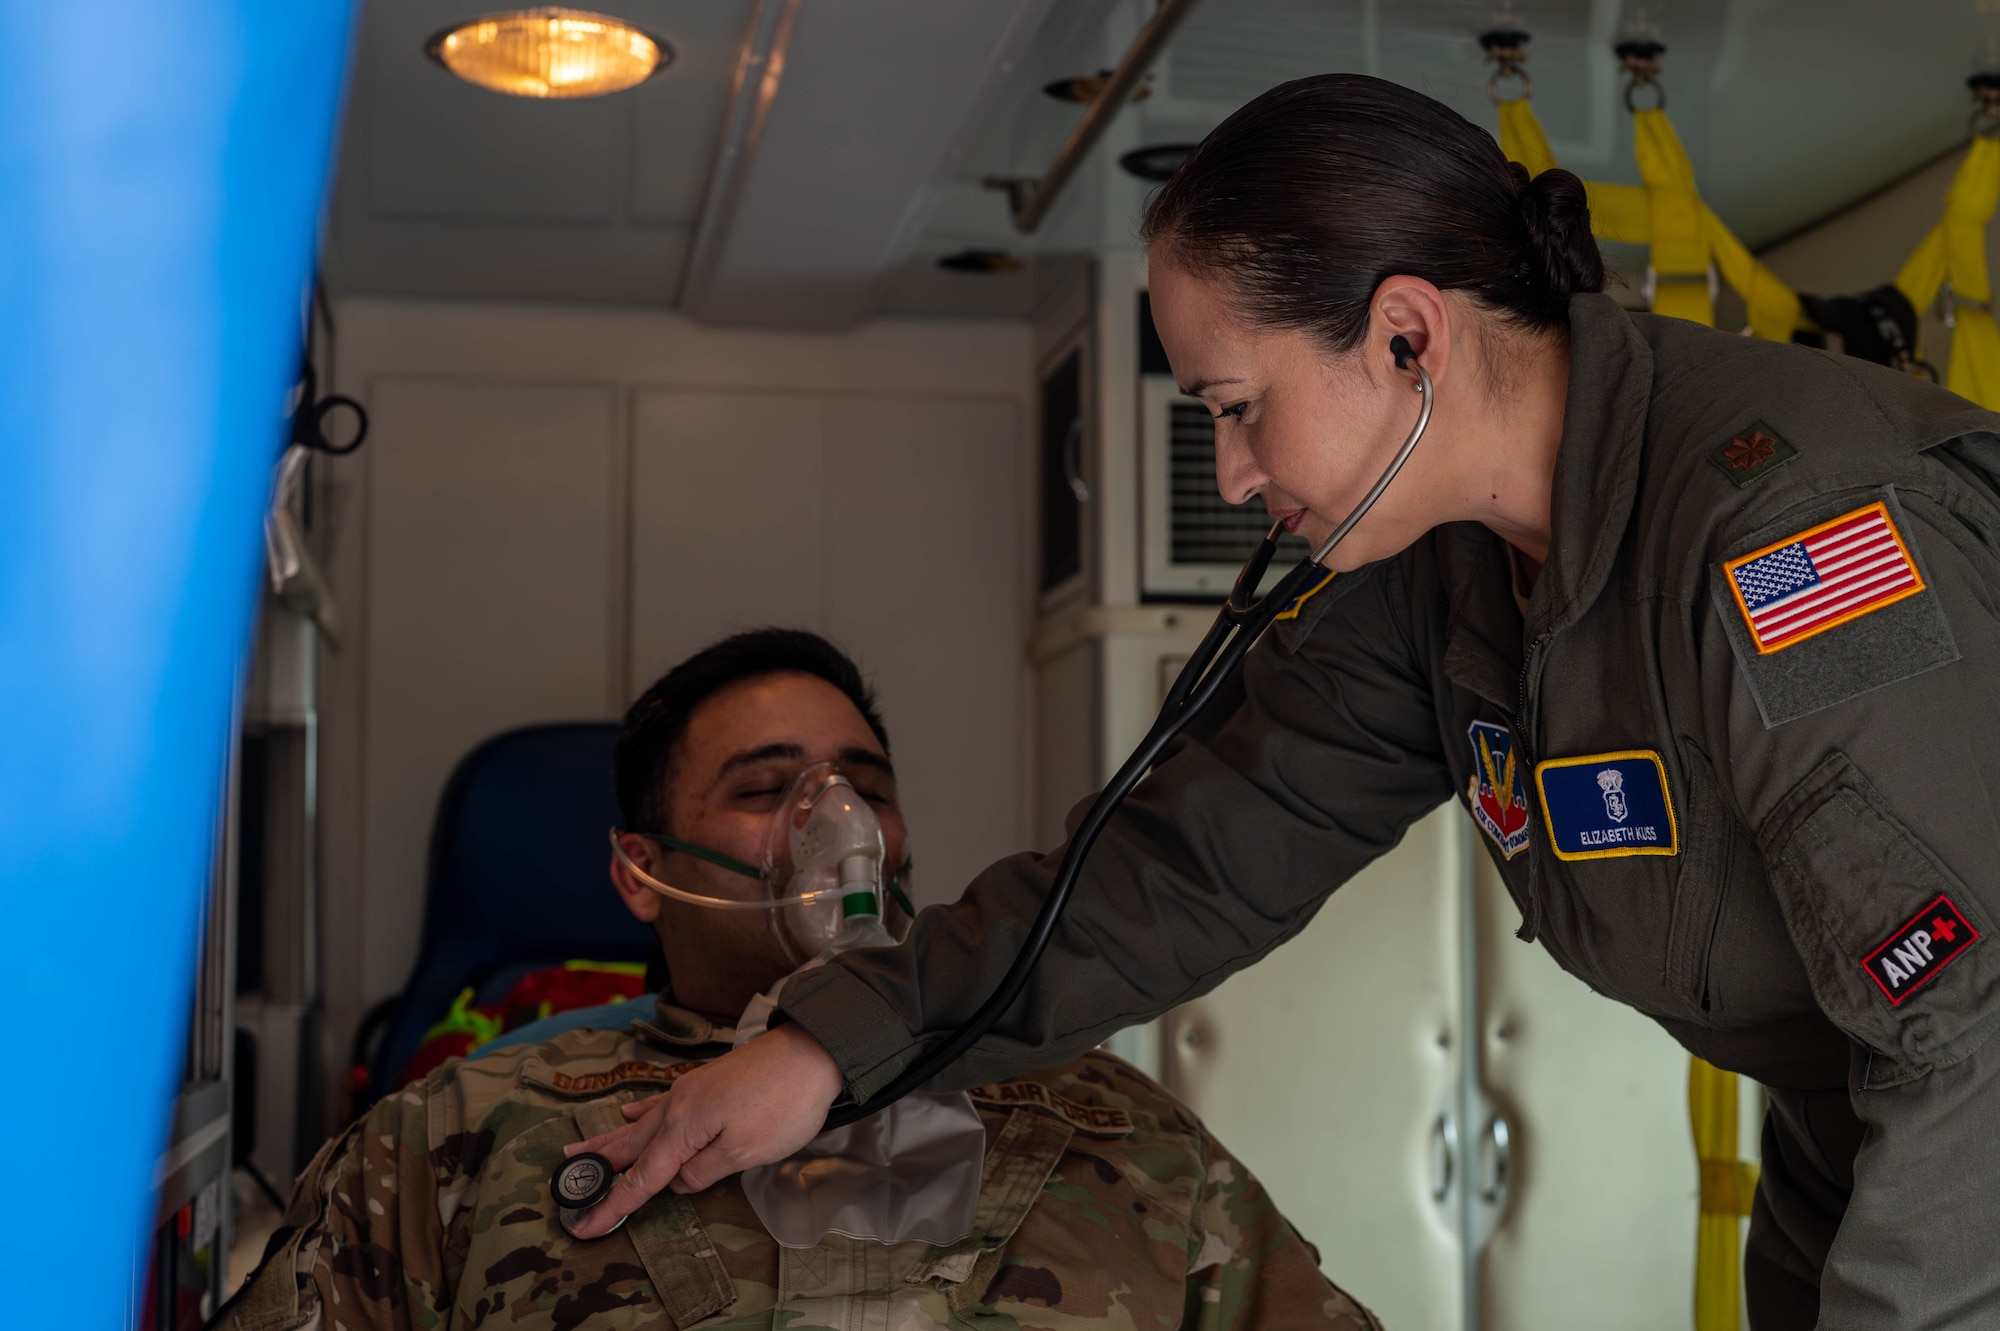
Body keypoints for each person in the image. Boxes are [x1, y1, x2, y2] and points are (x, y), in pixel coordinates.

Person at [564, 75, 2000, 1329]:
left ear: (1406, 337)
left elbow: (1980, 1041)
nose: (1236, 471)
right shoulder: (1446, 582)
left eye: (1237, 404)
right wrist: (831, 1043)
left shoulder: (1798, 538)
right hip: (1866, 1137)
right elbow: (1175, 867)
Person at [214, 629, 1381, 1331]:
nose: (837, 824)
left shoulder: (1118, 1128)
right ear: (640, 869)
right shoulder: (455, 1138)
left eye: (861, 783)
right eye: (766, 788)